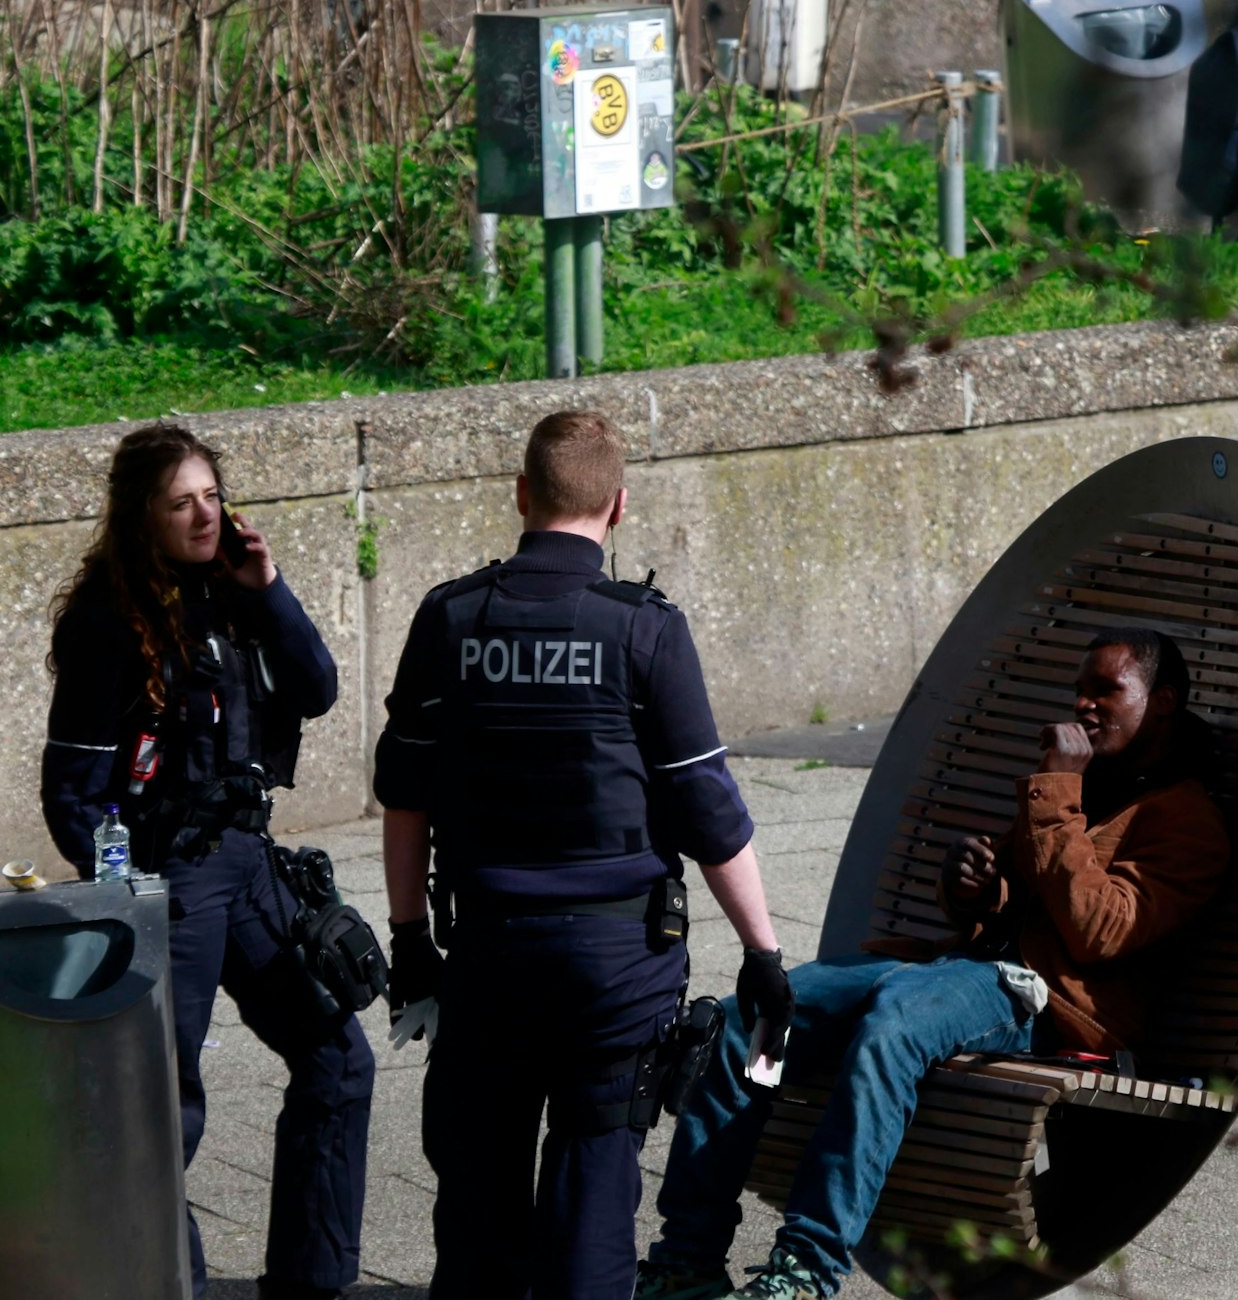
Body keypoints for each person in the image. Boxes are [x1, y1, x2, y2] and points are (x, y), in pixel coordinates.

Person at [635, 627, 1230, 1300]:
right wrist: (975, 884)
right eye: (1080, 689)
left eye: (1107, 691)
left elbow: (1101, 932)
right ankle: (688, 1256)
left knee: (895, 1025)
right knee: (758, 1018)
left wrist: (1059, 792)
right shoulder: (1091, 785)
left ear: (1163, 702)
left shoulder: (1186, 821)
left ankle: (806, 1267)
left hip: (1041, 1004)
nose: (1085, 705)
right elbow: (1019, 898)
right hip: (966, 972)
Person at [374, 409, 792, 1300]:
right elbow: (711, 812)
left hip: (488, 958)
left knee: (477, 1209)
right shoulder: (644, 629)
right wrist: (762, 953)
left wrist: (409, 940)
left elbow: (404, 799)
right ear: (620, 507)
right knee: (593, 1204)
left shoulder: (448, 620)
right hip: (614, 972)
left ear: (522, 495)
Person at [40, 423, 370, 1300]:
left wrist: (271, 591)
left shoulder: (236, 592)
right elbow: (70, 787)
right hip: (171, 884)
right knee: (160, 1109)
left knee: (338, 1057)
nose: (203, 516)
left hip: (250, 866)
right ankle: (164, 1280)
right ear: (140, 515)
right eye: (180, 501)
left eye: (212, 497)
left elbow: (319, 689)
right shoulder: (107, 620)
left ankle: (312, 1281)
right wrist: (125, 900)